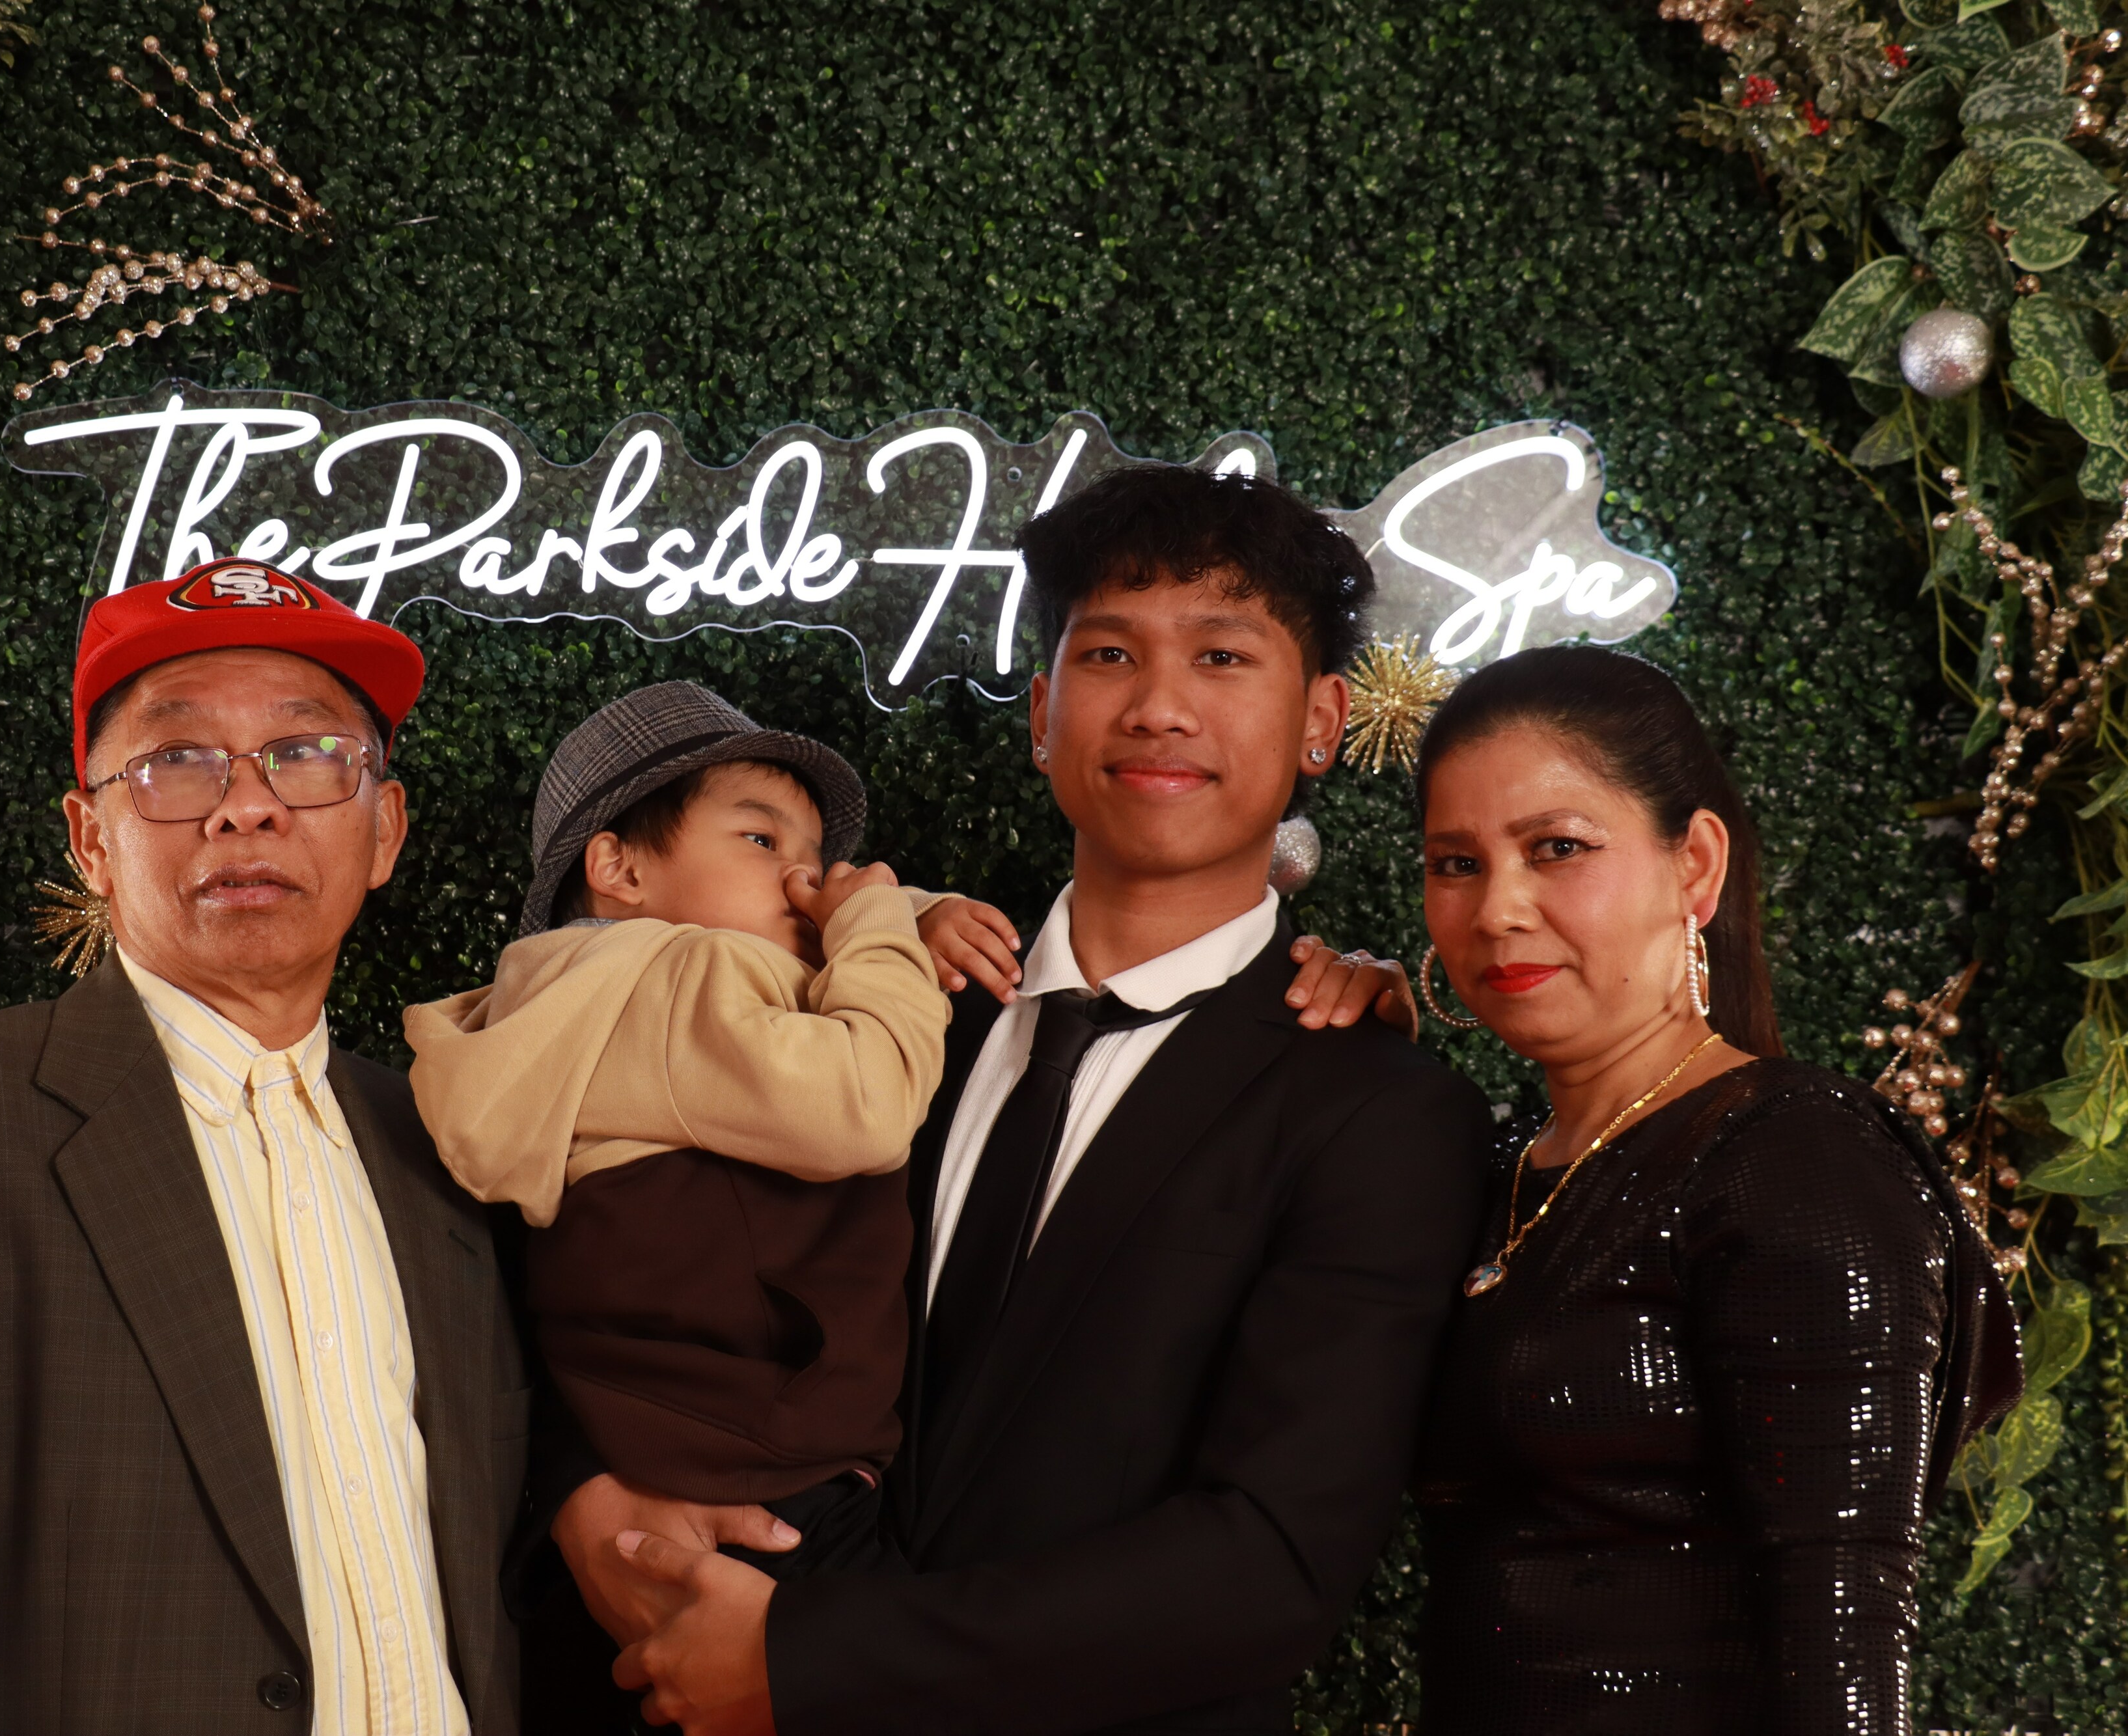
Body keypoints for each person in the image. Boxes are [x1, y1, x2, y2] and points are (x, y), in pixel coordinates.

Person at [568, 463, 1493, 1735]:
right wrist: (579, 1490)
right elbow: (608, 1254)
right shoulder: (869, 1011)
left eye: (1222, 657)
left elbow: (1269, 1562)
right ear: (1044, 712)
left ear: (1321, 721)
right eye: (1110, 654)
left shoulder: (1380, 1113)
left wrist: (809, 1659)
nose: (1159, 706)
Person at [0, 559, 526, 1736]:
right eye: (178, 761)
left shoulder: (446, 1145)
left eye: (305, 754)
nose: (247, 807)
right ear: (90, 840)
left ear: (384, 828)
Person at [1406, 644, 2023, 1736]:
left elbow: (1843, 1624)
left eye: (1557, 848)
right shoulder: (1501, 1173)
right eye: (1456, 864)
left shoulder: (1794, 1156)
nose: (1498, 908)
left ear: (1693, 866)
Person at [405, 680, 1017, 1577]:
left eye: (818, 859)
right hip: (767, 1462)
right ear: (620, 871)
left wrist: (907, 914)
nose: (807, 883)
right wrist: (881, 923)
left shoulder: (596, 995)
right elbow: (867, 1105)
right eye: (761, 842)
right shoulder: (685, 974)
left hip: (671, 1441)